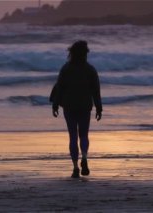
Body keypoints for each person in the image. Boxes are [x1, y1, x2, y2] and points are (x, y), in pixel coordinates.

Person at [51, 40, 102, 178]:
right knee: (84, 135)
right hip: (85, 106)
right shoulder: (90, 69)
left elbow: (59, 88)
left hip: (69, 106)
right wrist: (99, 107)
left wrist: (55, 104)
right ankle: (84, 157)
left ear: (71, 53)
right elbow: (96, 90)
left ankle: (75, 168)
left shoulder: (66, 69)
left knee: (73, 136)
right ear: (86, 54)